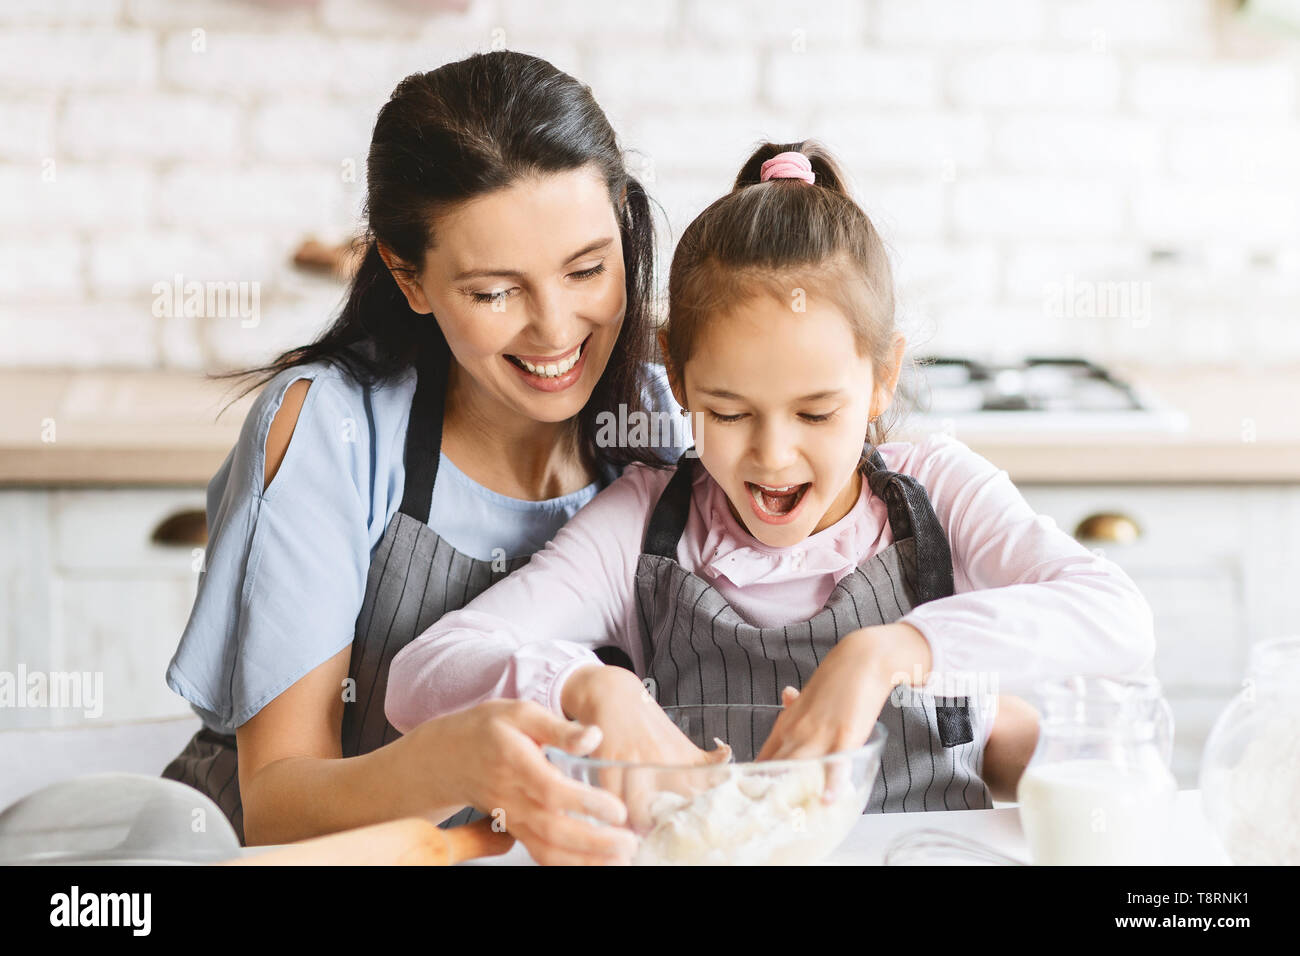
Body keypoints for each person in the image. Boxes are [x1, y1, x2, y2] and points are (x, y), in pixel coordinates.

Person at [385, 143, 1155, 812]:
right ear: (678, 378)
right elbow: (417, 676)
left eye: (817, 415)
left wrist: (890, 651)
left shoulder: (938, 491)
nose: (773, 456)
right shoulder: (645, 526)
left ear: (883, 378)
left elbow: (1118, 618)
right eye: (728, 413)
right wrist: (585, 686)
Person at [161, 51, 685, 864]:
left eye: (587, 268)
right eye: (493, 292)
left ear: (623, 220)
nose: (554, 329)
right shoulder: (333, 429)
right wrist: (451, 763)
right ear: (409, 276)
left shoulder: (658, 418)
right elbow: (276, 809)